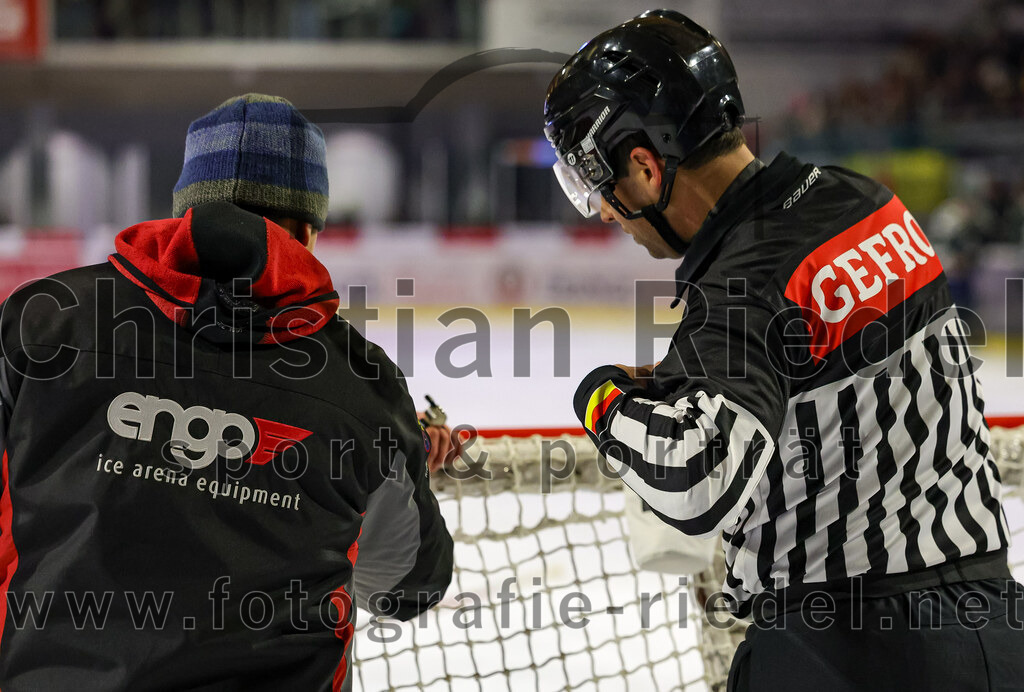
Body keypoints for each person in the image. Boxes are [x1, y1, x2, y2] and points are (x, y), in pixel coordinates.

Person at [544, 10, 1024, 691]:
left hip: (849, 651)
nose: (600, 211)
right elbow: (826, 379)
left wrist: (600, 396)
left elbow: (696, 478)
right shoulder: (866, 202)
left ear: (645, 168)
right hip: (998, 629)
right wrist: (703, 375)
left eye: (596, 187)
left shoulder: (743, 281)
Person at [0, 93, 454, 691]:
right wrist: (396, 466)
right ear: (309, 229)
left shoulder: (43, 321)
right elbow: (403, 588)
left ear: (184, 208)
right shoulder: (363, 387)